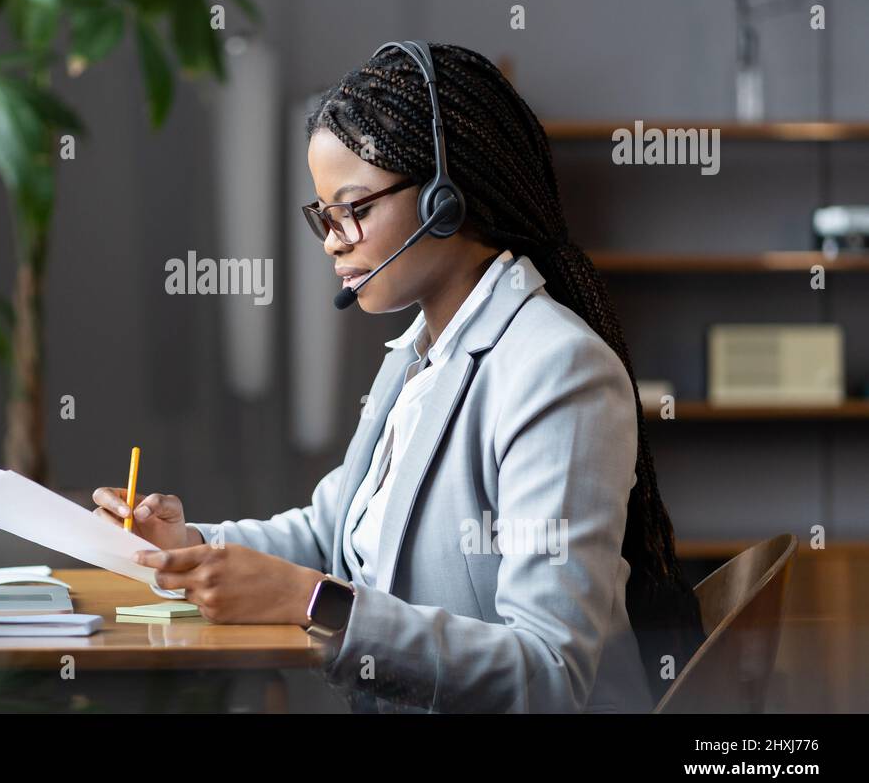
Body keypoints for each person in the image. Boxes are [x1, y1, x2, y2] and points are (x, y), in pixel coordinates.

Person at [91, 41, 705, 713]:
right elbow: (334, 532)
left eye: (354, 208)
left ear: (446, 201)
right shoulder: (418, 354)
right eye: (323, 215)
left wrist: (313, 603)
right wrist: (194, 545)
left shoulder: (557, 372)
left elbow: (548, 672)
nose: (331, 239)